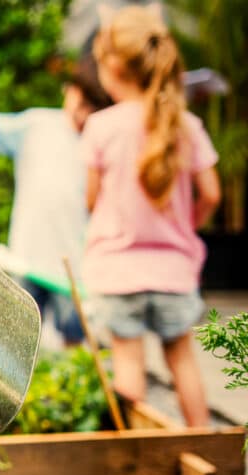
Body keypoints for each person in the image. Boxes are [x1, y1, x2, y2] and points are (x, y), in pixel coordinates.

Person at [82, 4, 221, 427]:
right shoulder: (187, 125)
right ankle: (204, 445)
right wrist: (185, 227)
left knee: (128, 365)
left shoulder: (101, 127)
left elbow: (90, 201)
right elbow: (212, 194)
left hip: (118, 271)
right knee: (182, 361)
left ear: (112, 65)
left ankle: (132, 454)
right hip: (174, 270)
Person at [0, 57, 112, 347]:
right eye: (81, 101)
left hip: (74, 266)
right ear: (69, 90)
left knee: (76, 341)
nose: (83, 113)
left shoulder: (102, 139)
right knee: (16, 341)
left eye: (93, 107)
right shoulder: (39, 124)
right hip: (27, 258)